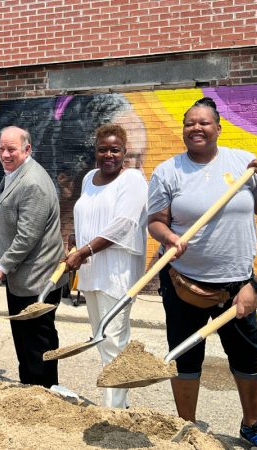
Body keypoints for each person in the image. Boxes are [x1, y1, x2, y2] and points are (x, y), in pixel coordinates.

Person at [148, 97, 257, 448]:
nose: (196, 128)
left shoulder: (241, 162)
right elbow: (156, 221)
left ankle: (252, 424)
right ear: (184, 130)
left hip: (238, 285)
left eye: (204, 122)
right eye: (190, 123)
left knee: (249, 360)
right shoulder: (168, 171)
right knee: (185, 358)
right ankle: (187, 427)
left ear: (218, 127)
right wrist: (169, 236)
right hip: (183, 282)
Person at [63, 124, 147, 408]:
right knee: (101, 338)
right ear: (95, 151)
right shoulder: (89, 178)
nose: (108, 154)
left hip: (117, 271)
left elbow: (124, 226)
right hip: (91, 269)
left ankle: (114, 410)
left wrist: (85, 250)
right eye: (103, 149)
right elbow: (86, 214)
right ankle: (117, 404)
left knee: (115, 339)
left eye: (115, 149)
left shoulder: (133, 179)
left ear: (124, 152)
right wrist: (74, 242)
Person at [0, 126, 65, 387]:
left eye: (12, 149)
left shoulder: (32, 182)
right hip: (22, 277)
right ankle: (29, 389)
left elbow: (28, 236)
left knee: (37, 342)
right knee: (24, 339)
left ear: (27, 149)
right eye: (2, 149)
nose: (5, 154)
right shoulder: (13, 173)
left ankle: (43, 392)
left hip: (36, 278)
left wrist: (2, 265)